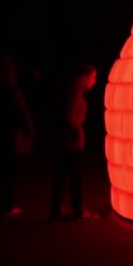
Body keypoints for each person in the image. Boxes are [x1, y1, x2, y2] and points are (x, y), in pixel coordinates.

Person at [50, 63, 99, 221]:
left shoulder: (72, 93)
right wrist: (77, 130)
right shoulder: (74, 95)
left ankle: (55, 209)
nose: (94, 81)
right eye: (93, 77)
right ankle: (78, 211)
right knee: (74, 178)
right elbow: (69, 117)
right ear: (83, 78)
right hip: (71, 142)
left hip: (65, 141)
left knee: (62, 176)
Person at [0, 52, 32, 217]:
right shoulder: (11, 90)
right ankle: (6, 206)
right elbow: (21, 112)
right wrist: (29, 131)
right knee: (7, 170)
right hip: (6, 134)